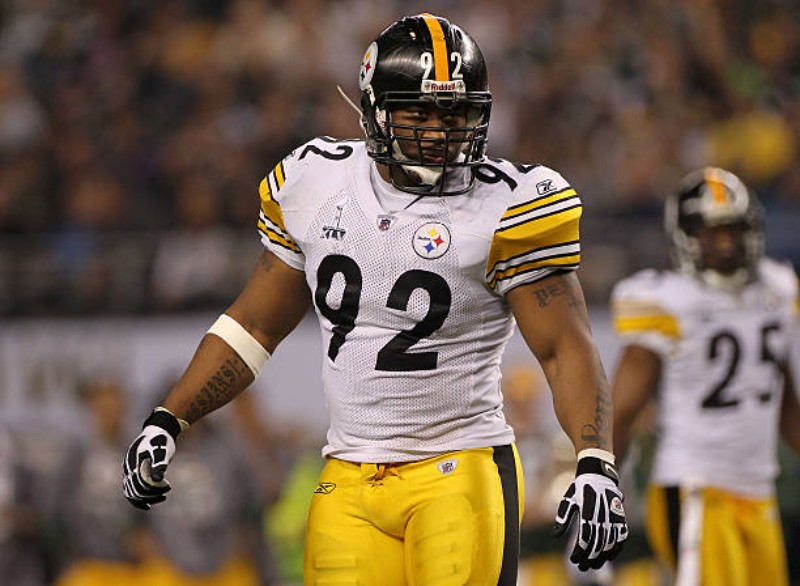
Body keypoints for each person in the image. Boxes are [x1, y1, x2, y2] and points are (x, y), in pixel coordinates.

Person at [123, 13, 627, 584]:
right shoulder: (314, 182)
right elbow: (254, 326)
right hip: (349, 474)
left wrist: (595, 460)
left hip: (459, 465)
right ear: (375, 111)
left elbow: (564, 347)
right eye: (419, 113)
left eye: (454, 114)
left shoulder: (509, 204)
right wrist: (169, 418)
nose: (439, 131)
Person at [610, 167, 800, 586]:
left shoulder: (778, 288)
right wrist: (601, 483)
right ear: (685, 237)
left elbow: (785, 401)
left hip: (759, 491)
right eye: (713, 233)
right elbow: (622, 410)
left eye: (733, 230)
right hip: (694, 486)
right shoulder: (664, 300)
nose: (726, 243)